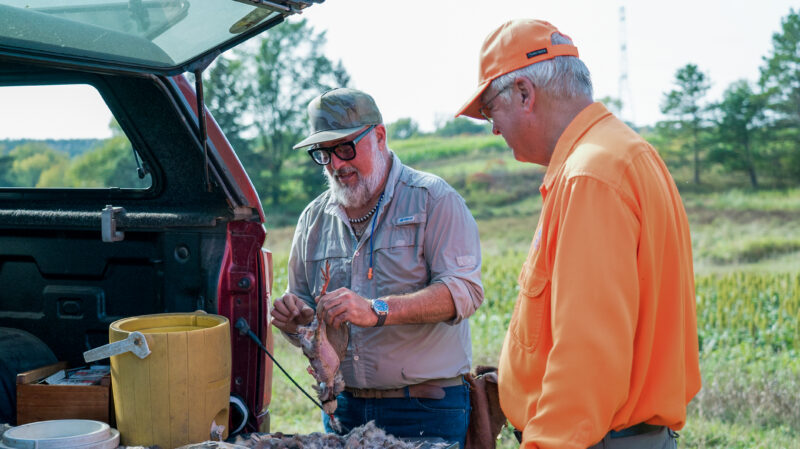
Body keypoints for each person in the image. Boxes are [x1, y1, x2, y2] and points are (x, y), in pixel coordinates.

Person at [455, 19, 702, 449]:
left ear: (525, 94)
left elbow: (587, 357)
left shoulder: (590, 176)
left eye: (492, 111)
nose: (494, 128)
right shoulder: (624, 153)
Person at [271, 87, 484, 447]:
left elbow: (463, 293)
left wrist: (376, 309)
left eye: (344, 148)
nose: (336, 164)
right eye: (323, 154)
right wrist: (297, 323)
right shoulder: (312, 220)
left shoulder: (434, 199)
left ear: (380, 136)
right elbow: (304, 316)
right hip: (345, 409)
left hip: (425, 408)